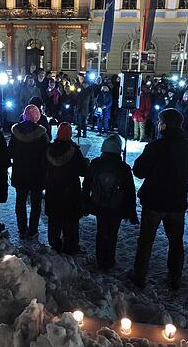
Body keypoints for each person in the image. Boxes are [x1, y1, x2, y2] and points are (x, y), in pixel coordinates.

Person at [131, 108, 188, 289]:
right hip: (177, 202)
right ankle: (175, 277)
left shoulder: (155, 146)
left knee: (146, 240)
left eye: (160, 121)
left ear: (164, 124)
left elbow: (139, 171)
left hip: (155, 201)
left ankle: (139, 276)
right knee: (176, 241)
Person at [82, 134, 137, 270]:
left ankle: (100, 259)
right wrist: (131, 211)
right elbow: (130, 191)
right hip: (116, 206)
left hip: (99, 204)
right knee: (112, 233)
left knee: (101, 231)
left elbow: (86, 185)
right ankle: (109, 259)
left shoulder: (95, 163)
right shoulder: (123, 167)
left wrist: (85, 204)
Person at [44, 122, 89, 255]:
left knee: (54, 218)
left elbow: (43, 167)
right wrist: (85, 162)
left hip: (53, 190)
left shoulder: (49, 149)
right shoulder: (74, 151)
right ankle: (71, 245)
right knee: (70, 220)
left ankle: (55, 243)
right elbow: (83, 171)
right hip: (70, 191)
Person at [8, 104, 49, 238]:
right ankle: (32, 229)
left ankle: (22, 228)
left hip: (20, 172)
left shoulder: (16, 132)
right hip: (37, 173)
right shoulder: (41, 133)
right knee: (36, 203)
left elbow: (10, 152)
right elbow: (47, 154)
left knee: (20, 201)